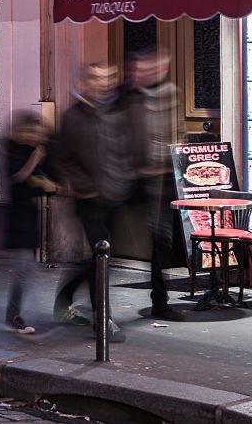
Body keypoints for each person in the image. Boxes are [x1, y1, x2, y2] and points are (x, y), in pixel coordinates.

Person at [54, 63, 133, 342]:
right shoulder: (72, 117)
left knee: (101, 258)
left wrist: (123, 180)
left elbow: (121, 150)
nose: (104, 83)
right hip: (88, 199)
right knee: (102, 257)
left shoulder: (113, 113)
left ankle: (65, 296)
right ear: (85, 82)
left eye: (108, 78)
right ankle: (102, 320)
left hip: (112, 194)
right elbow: (62, 159)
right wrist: (83, 187)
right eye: (98, 79)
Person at [120, 48, 184, 322]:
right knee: (105, 242)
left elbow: (177, 132)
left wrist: (175, 156)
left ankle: (160, 300)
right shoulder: (128, 98)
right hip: (135, 179)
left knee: (162, 239)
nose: (151, 72)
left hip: (164, 178)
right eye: (147, 68)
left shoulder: (172, 94)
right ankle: (87, 296)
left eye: (158, 68)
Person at [3, 112, 57, 334]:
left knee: (25, 270)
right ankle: (13, 316)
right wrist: (35, 159)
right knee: (23, 270)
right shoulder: (13, 151)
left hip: (29, 217)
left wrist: (49, 184)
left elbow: (40, 182)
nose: (37, 136)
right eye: (33, 131)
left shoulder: (29, 152)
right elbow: (18, 177)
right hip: (17, 218)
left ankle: (13, 313)